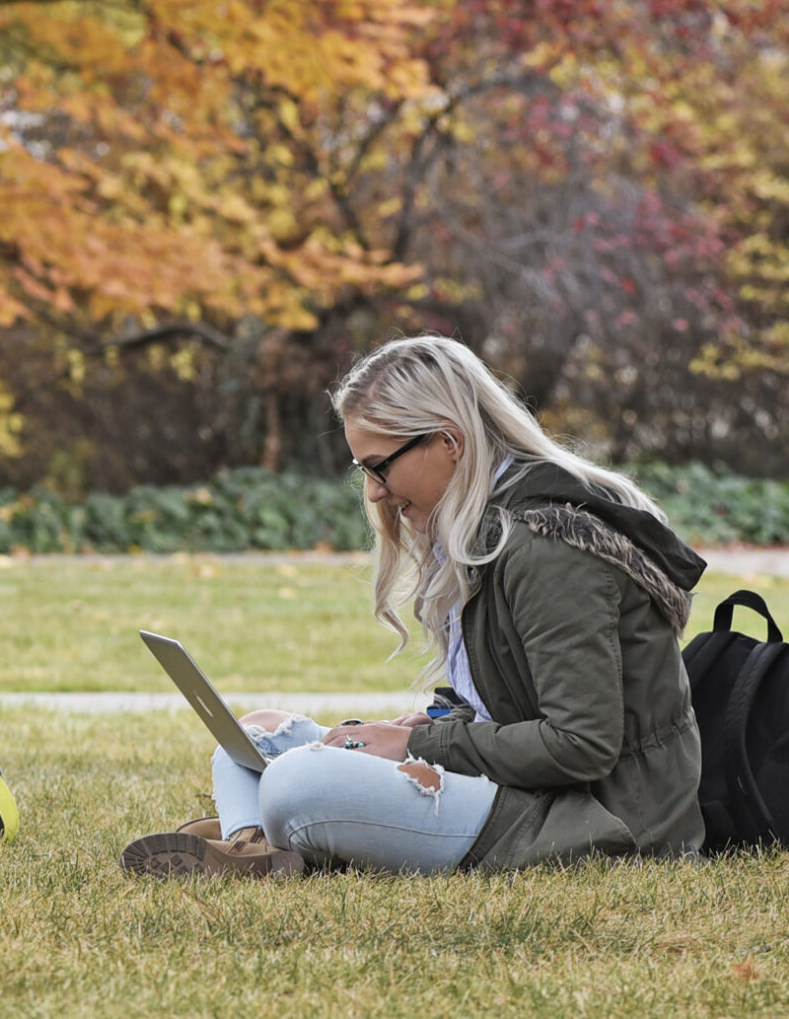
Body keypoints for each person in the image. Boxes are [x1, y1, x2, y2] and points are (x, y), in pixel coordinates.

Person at [121, 335, 705, 877]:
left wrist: (419, 746)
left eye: (380, 466)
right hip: (533, 790)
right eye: (363, 470)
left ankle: (270, 833)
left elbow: (581, 745)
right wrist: (437, 721)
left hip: (602, 820)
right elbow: (504, 692)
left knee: (298, 782)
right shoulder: (485, 528)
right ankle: (257, 848)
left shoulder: (548, 548)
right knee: (256, 736)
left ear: (448, 442)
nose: (374, 490)